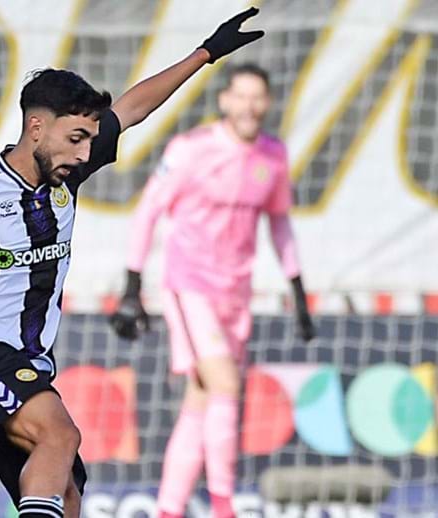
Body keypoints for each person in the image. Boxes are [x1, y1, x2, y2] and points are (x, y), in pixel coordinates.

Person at [0, 9, 264, 517]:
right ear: (36, 128)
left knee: (70, 495)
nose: (85, 153)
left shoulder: (65, 173)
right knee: (61, 433)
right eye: (76, 138)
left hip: (31, 364)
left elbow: (134, 108)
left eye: (89, 139)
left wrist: (205, 53)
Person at [110, 63, 316, 518]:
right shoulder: (191, 150)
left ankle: (168, 508)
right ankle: (225, 505)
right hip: (190, 284)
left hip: (235, 292)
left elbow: (279, 222)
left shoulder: (273, 156)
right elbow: (147, 212)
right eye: (240, 96)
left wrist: (298, 288)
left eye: (257, 97)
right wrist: (132, 285)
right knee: (226, 382)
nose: (249, 106)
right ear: (224, 100)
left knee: (201, 399)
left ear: (268, 103)